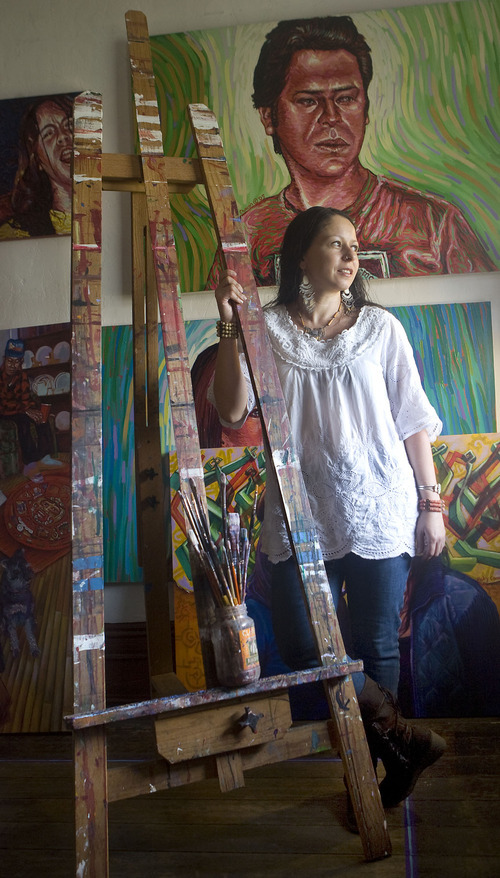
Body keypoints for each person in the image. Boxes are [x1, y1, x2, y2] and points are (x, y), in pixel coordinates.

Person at [211, 205, 446, 808]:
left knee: (376, 644)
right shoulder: (265, 329)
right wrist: (230, 327)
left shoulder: (380, 328)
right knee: (297, 645)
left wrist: (431, 503)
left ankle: (376, 778)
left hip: (376, 504)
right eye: (336, 244)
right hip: (297, 513)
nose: (351, 257)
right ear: (301, 257)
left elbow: (413, 421)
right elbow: (234, 411)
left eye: (355, 246)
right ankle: (402, 740)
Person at [208, 16, 496, 286]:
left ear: (365, 108)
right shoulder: (246, 237)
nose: (331, 117)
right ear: (268, 117)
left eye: (346, 98)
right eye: (309, 101)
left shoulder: (435, 226)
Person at [0, 95, 73, 240]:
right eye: (49, 133)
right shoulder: (16, 233)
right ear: (37, 159)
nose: (63, 137)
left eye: (68, 125)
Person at [0, 338, 55, 466]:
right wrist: (24, 409)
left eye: (17, 362)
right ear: (5, 360)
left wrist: (33, 411)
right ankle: (31, 462)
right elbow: (2, 404)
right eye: (10, 361)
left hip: (19, 410)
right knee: (23, 421)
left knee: (41, 417)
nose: (13, 365)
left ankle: (45, 456)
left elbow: (25, 398)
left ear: (21, 363)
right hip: (4, 413)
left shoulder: (22, 377)